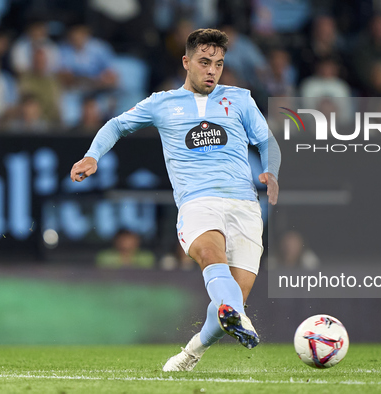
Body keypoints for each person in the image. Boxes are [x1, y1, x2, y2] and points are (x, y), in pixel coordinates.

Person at [69, 28, 281, 371]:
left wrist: (271, 171)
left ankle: (190, 353)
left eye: (219, 64)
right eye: (204, 62)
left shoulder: (240, 99)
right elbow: (116, 126)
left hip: (245, 206)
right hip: (198, 203)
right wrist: (92, 156)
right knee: (213, 258)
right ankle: (242, 320)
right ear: (187, 62)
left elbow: (268, 142)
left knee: (230, 305)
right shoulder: (161, 103)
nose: (212, 70)